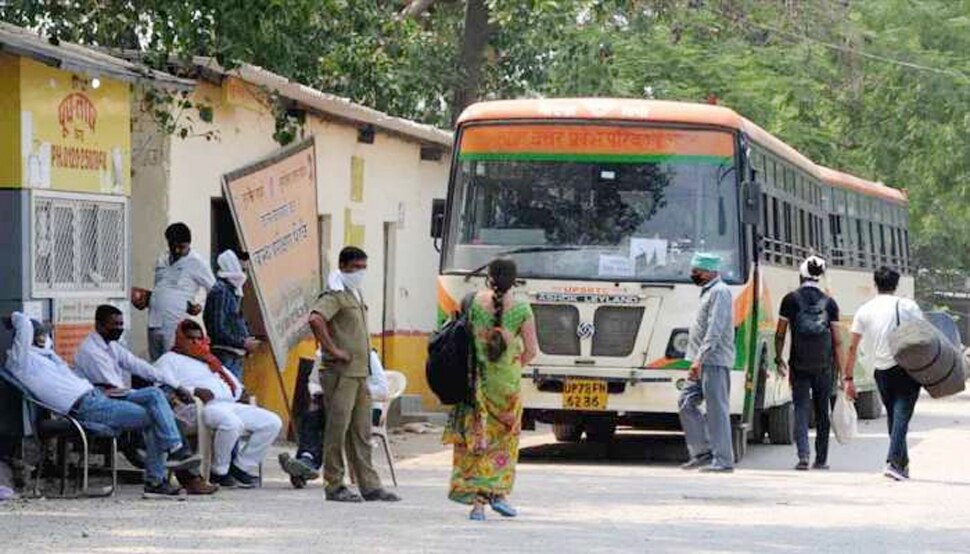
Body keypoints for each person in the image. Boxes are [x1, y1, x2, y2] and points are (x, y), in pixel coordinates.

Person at [4, 312, 198, 499]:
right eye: (37, 336)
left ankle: (173, 453)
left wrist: (43, 337)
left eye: (42, 337)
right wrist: (15, 318)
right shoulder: (19, 362)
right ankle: (161, 473)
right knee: (154, 417)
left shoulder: (47, 359)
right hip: (85, 407)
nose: (41, 339)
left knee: (155, 394)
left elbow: (46, 346)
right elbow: (24, 326)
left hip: (97, 398)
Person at [74, 305, 217, 495]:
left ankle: (169, 466)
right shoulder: (91, 351)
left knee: (159, 410)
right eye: (113, 325)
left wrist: (176, 386)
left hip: (115, 398)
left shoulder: (112, 346)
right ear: (99, 325)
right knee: (157, 408)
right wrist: (158, 395)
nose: (118, 328)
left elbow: (141, 367)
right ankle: (167, 470)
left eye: (121, 324)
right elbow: (114, 388)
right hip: (99, 404)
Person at [442, 259, 538, 521]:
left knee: (476, 443)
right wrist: (513, 364)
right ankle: (498, 494)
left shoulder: (473, 303)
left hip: (476, 386)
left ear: (489, 277)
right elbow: (532, 350)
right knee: (503, 445)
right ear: (514, 280)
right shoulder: (522, 308)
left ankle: (478, 505)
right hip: (507, 389)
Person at [307, 246, 399, 502]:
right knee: (338, 429)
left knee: (361, 430)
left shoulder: (353, 293)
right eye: (356, 267)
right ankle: (334, 484)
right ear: (343, 266)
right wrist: (333, 349)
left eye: (363, 267)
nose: (360, 272)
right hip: (340, 372)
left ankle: (369, 484)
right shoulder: (335, 293)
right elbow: (316, 319)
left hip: (359, 373)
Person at [155, 320, 282, 488]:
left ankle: (240, 467)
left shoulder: (208, 358)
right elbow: (161, 385)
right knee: (231, 424)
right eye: (191, 339)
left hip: (229, 404)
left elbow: (231, 381)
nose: (196, 342)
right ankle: (219, 471)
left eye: (199, 338)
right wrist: (193, 391)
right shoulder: (169, 359)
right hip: (202, 407)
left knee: (272, 422)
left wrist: (240, 391)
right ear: (180, 339)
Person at [844, 266, 923, 481]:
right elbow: (924, 334)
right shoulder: (908, 306)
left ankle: (902, 464)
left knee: (895, 415)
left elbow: (852, 346)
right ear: (896, 285)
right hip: (906, 367)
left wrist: (848, 378)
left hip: (880, 371)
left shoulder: (864, 310)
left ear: (875, 284)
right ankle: (893, 462)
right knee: (901, 415)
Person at [278, 348, 390, 486]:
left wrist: (347, 392)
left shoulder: (367, 354)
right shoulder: (322, 353)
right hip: (331, 406)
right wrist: (320, 394)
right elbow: (313, 382)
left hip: (366, 409)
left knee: (329, 418)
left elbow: (383, 390)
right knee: (312, 415)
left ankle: (307, 464)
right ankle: (305, 460)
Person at [775, 256, 843, 471]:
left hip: (799, 364)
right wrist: (841, 370)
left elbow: (780, 334)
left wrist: (778, 358)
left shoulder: (790, 300)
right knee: (823, 411)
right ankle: (821, 459)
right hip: (825, 365)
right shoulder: (830, 303)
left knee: (801, 408)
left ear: (801, 274)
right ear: (820, 276)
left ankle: (803, 455)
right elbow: (838, 340)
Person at [678, 252, 736, 473]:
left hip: (713, 360)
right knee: (686, 402)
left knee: (716, 410)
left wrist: (700, 359)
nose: (694, 275)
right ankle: (702, 452)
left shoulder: (720, 292)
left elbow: (716, 328)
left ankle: (723, 460)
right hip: (699, 360)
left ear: (710, 271)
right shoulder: (707, 292)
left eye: (697, 272)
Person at [146, 223, 216, 361]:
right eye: (174, 246)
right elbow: (159, 288)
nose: (177, 250)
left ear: (189, 244)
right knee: (156, 365)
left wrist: (199, 304)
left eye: (182, 247)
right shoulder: (162, 258)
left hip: (175, 325)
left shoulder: (197, 262)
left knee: (172, 363)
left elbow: (214, 290)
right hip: (154, 321)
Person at [203, 250, 260, 380]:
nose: (244, 275)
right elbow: (218, 329)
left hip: (233, 355)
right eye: (242, 269)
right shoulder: (221, 291)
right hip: (225, 355)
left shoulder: (231, 291)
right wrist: (243, 342)